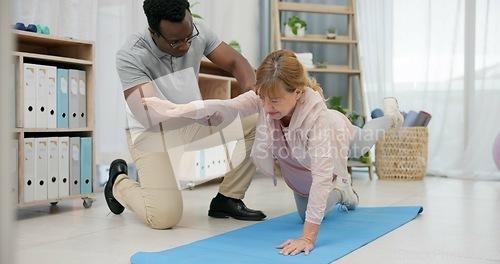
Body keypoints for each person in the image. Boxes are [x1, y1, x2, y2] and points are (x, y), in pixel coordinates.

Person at [142, 49, 403, 255]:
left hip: (334, 136)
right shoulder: (266, 98)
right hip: (301, 163)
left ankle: (391, 117)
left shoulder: (319, 120)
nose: (265, 107)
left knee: (361, 143)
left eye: (274, 101)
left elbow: (322, 177)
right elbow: (225, 106)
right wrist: (175, 110)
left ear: (297, 92)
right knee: (307, 214)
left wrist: (308, 238)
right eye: (262, 98)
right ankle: (343, 191)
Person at [106, 0, 266, 230]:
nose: (185, 46)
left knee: (260, 119)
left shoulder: (196, 31)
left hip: (195, 122)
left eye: (188, 36)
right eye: (175, 41)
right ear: (154, 33)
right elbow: (148, 115)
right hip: (151, 134)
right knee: (164, 217)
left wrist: (252, 89)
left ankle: (228, 198)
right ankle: (118, 184)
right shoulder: (131, 55)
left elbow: (235, 61)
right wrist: (198, 114)